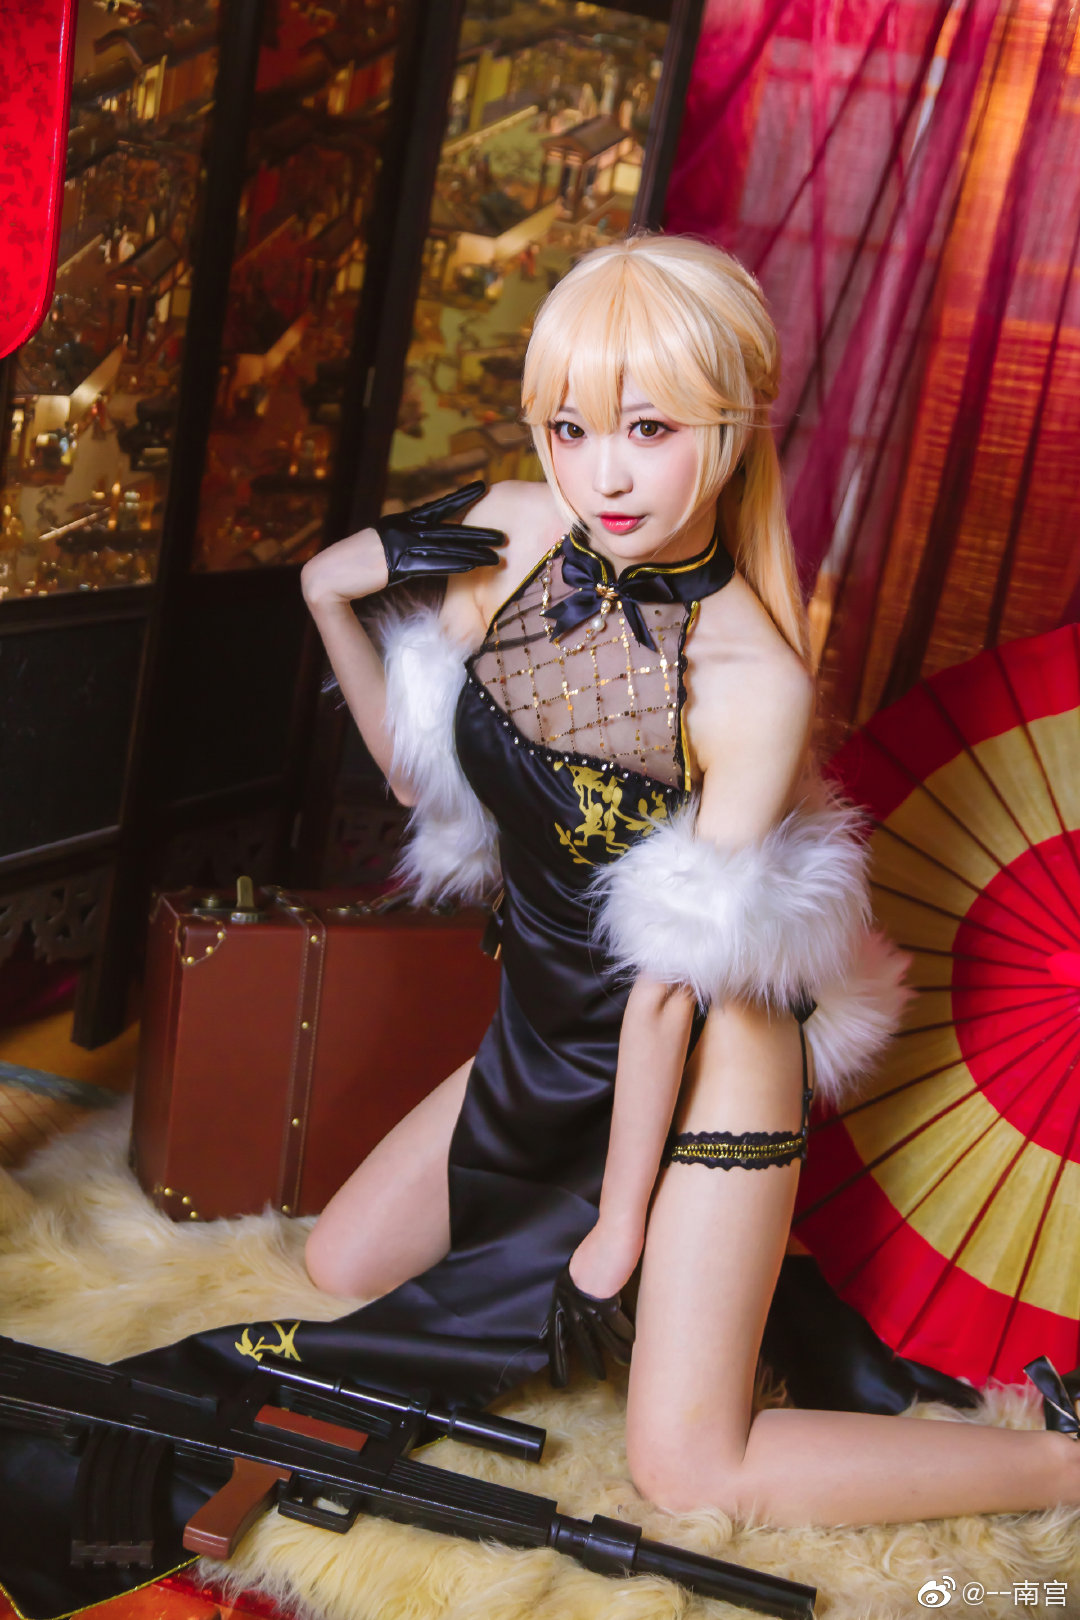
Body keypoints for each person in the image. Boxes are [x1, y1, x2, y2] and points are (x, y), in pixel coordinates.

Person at [293, 232, 1080, 1524]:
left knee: (687, 1470)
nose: (602, 473)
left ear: (727, 426)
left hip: (705, 1060)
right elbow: (423, 784)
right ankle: (728, 1282)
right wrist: (330, 599)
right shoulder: (511, 531)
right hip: (551, 1029)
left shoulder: (753, 679)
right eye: (570, 427)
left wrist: (618, 1225)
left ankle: (1060, 1457)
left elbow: (667, 988)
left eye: (649, 429)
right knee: (340, 1267)